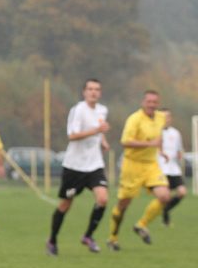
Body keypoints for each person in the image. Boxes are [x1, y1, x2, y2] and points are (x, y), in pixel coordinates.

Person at [46, 79, 110, 256]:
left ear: (100, 92)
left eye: (97, 89)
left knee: (103, 199)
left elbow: (99, 131)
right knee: (66, 204)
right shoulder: (78, 110)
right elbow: (72, 136)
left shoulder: (102, 110)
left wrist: (103, 141)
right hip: (74, 167)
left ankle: (88, 236)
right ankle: (52, 240)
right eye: (90, 89)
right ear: (84, 92)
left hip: (95, 164)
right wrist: (97, 131)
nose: (93, 92)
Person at [107, 90, 171, 250]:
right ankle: (113, 238)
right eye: (149, 101)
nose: (151, 105)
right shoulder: (134, 119)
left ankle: (141, 225)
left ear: (158, 103)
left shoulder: (161, 117)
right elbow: (125, 142)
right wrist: (150, 145)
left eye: (154, 102)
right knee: (124, 204)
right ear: (143, 102)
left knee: (164, 196)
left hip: (151, 164)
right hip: (132, 165)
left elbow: (158, 137)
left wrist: (161, 150)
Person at [158, 108, 187, 226]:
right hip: (161, 169)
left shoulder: (175, 133)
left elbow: (179, 149)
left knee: (182, 192)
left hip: (174, 169)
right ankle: (166, 220)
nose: (166, 119)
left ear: (171, 118)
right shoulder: (155, 132)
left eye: (168, 116)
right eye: (163, 117)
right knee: (166, 195)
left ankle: (165, 210)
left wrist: (180, 155)